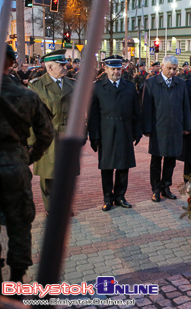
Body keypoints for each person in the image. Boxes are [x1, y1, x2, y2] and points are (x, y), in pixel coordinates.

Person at [0, 44, 54, 284]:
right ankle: (17, 281)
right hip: (14, 164)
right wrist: (29, 157)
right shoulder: (27, 94)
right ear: (12, 63)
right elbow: (46, 133)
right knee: (19, 223)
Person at [88, 55, 142, 212]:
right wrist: (94, 136)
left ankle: (120, 196)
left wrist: (137, 132)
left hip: (125, 130)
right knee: (107, 167)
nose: (116, 72)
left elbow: (136, 112)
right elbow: (93, 114)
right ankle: (107, 198)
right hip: (106, 132)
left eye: (118, 69)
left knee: (123, 166)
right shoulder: (97, 87)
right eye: (113, 69)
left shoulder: (129, 87)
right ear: (106, 69)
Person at [29, 49, 76, 215]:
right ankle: (51, 208)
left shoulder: (72, 83)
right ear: (49, 67)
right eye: (61, 65)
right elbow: (31, 116)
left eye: (64, 64)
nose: (65, 67)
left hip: (67, 134)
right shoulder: (36, 86)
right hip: (47, 136)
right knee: (48, 175)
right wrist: (31, 142)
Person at [142, 55, 191, 202]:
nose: (172, 72)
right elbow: (146, 108)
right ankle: (156, 189)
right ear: (162, 67)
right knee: (156, 160)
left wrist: (187, 126)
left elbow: (185, 106)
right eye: (169, 68)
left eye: (174, 69)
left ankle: (166, 187)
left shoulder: (180, 84)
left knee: (171, 160)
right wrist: (147, 128)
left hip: (175, 127)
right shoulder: (151, 83)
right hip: (158, 128)